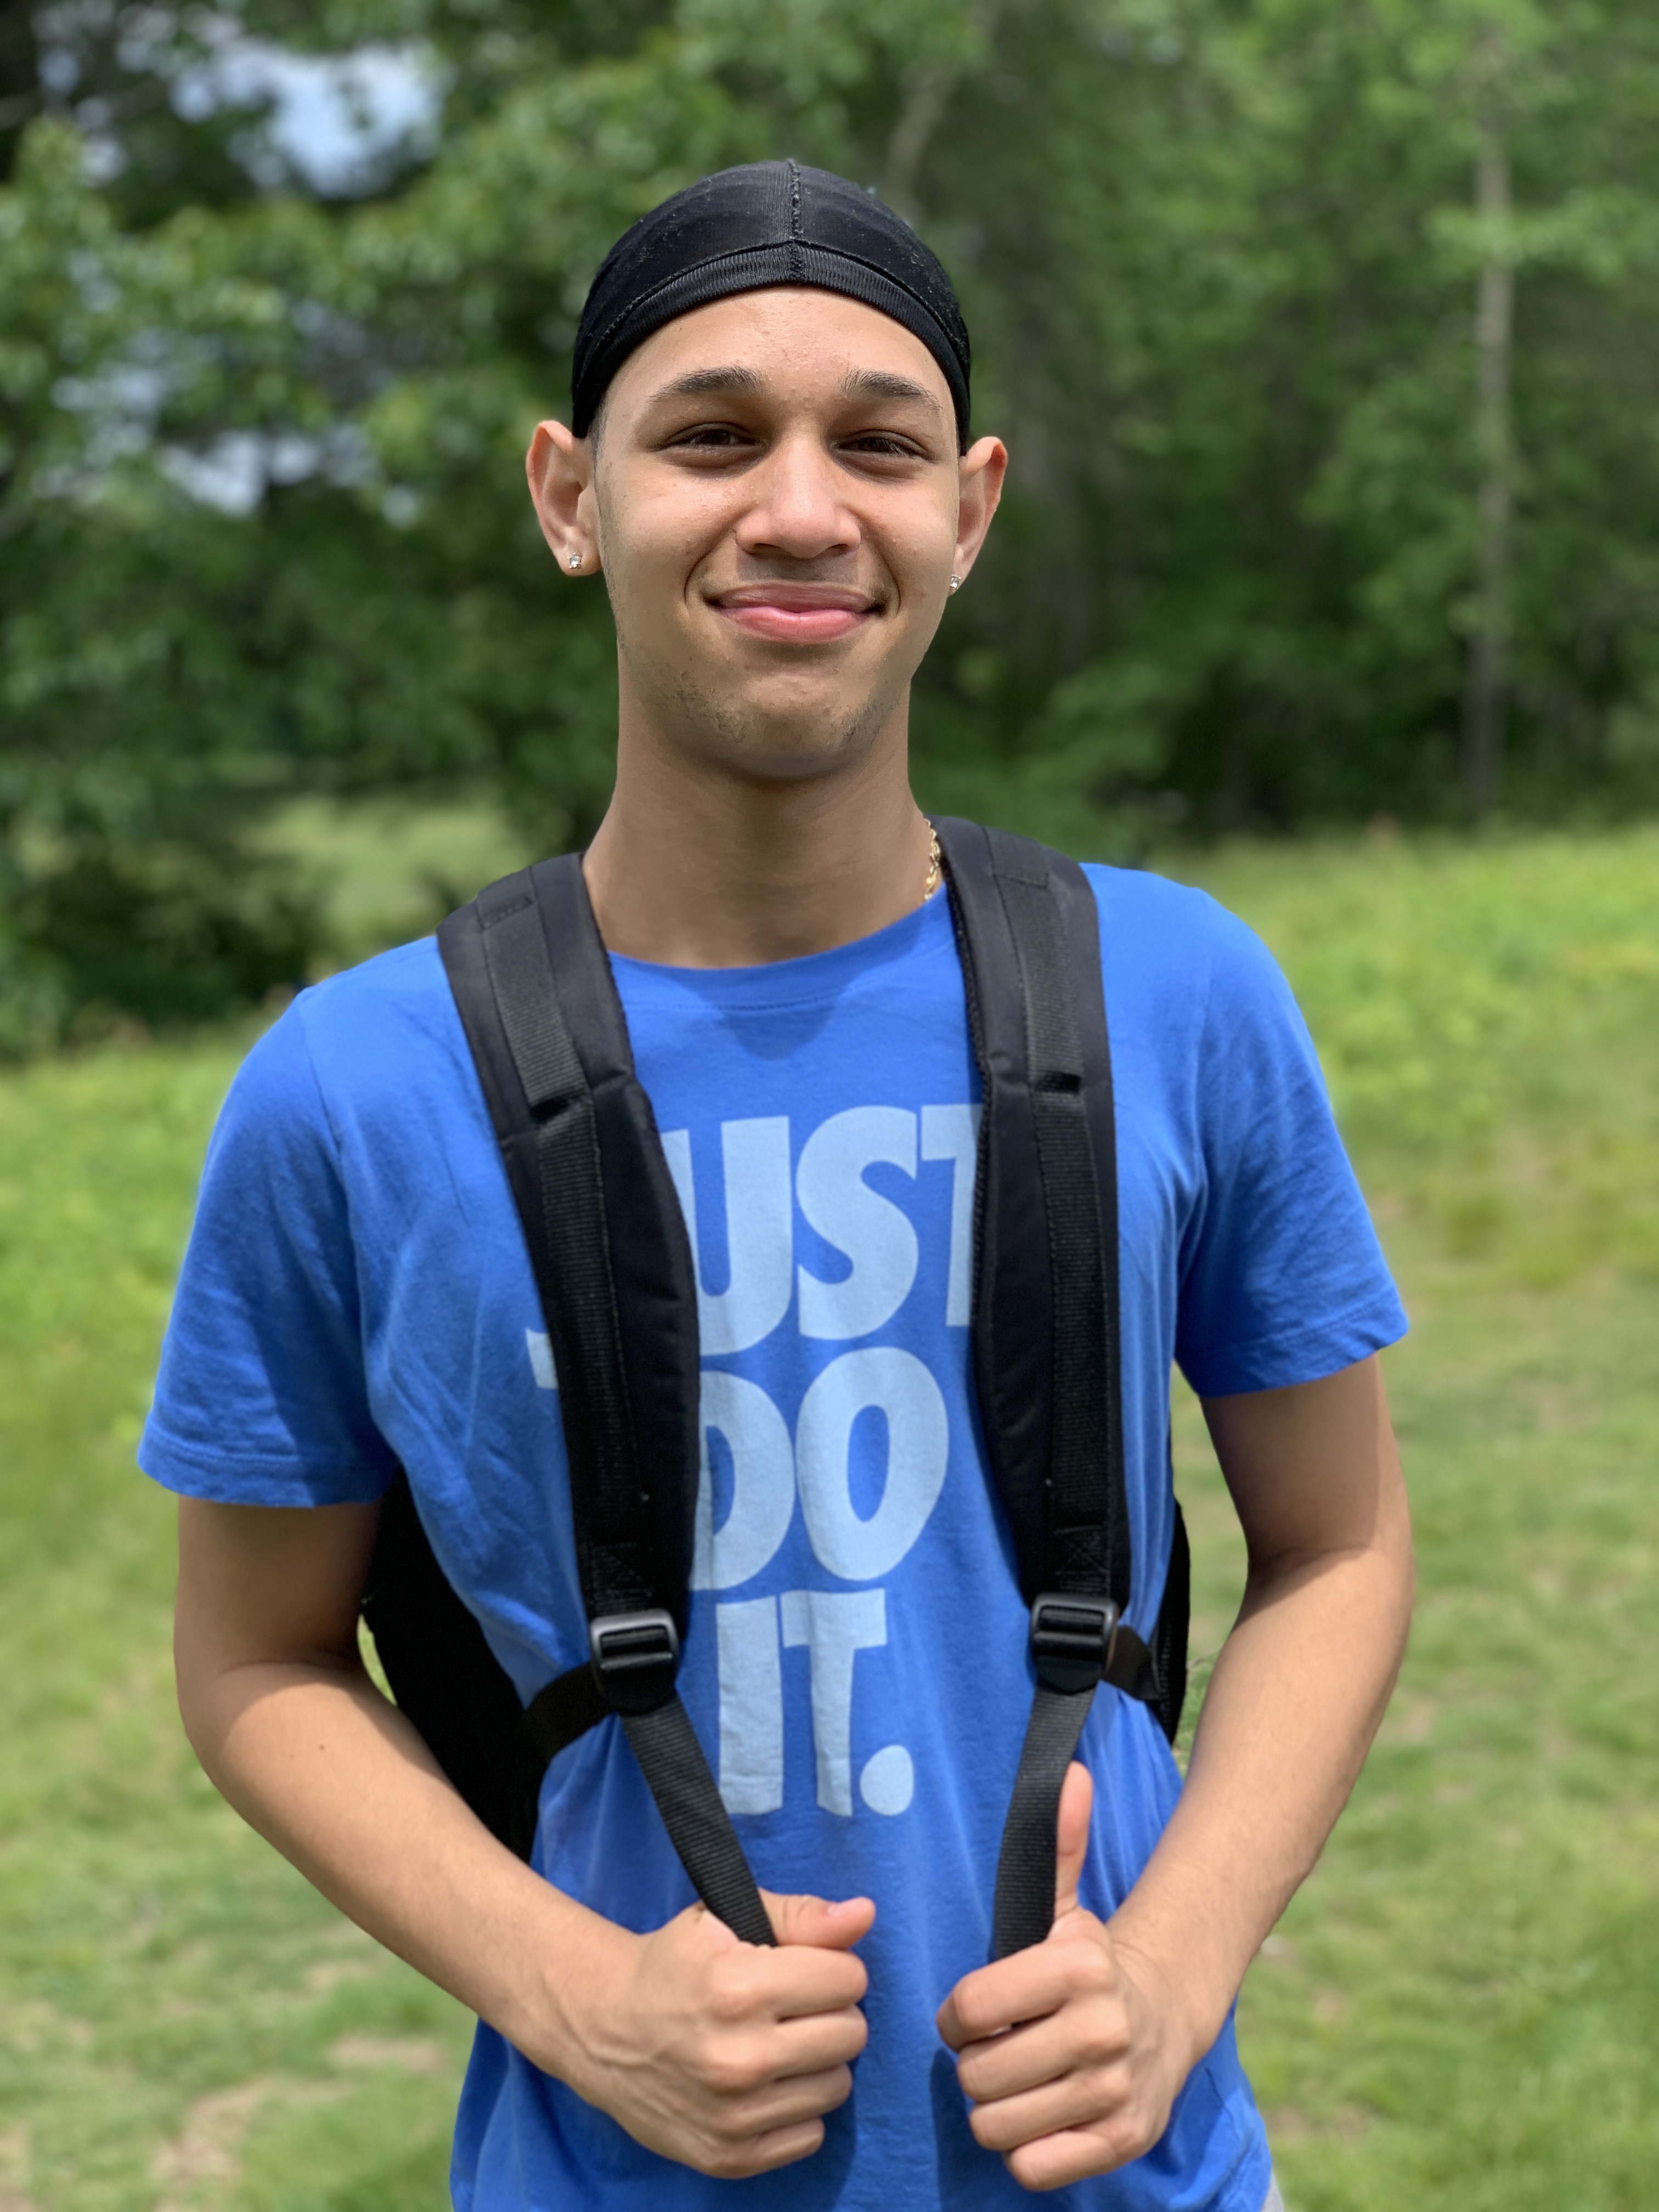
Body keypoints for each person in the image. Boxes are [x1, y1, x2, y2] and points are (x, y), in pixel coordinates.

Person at [143, 161, 1413, 2212]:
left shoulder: (1174, 992)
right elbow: (254, 1660)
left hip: (1126, 2171)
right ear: (570, 496)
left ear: (970, 512)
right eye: (714, 436)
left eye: (880, 446)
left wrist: (1175, 1973)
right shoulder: (354, 1088)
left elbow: (1338, 1544)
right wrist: (575, 1996)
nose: (803, 510)